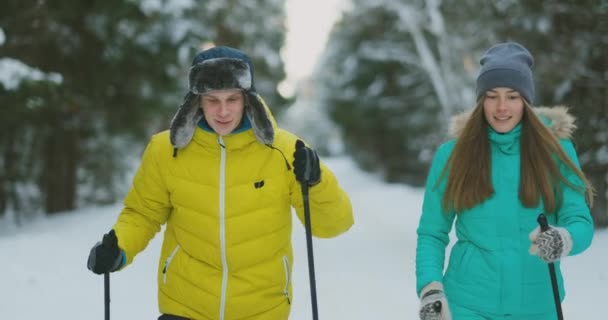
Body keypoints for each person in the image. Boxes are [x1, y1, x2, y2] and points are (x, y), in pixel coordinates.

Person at [86, 46, 354, 320]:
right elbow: (143, 213)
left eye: (232, 99)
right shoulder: (165, 150)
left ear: (248, 99)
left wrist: (317, 182)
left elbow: (334, 225)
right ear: (197, 100)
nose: (223, 111)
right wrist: (118, 249)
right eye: (212, 99)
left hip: (262, 308)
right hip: (185, 304)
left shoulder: (286, 152)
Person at [415, 42, 594, 320]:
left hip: (538, 304)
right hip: (468, 304)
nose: (501, 107)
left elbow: (579, 220)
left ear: (526, 100)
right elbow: (432, 233)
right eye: (491, 96)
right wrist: (431, 289)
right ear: (480, 100)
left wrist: (564, 238)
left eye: (512, 96)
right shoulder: (452, 155)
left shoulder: (556, 151)